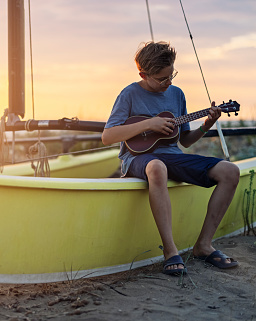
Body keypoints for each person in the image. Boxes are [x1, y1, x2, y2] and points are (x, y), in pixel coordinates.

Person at [102, 41, 240, 275]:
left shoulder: (176, 94)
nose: (169, 83)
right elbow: (108, 136)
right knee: (156, 166)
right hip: (137, 159)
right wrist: (149, 123)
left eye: (171, 75)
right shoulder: (129, 94)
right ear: (143, 74)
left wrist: (207, 125)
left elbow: (185, 140)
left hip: (172, 156)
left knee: (230, 171)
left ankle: (204, 245)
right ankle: (170, 250)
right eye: (162, 78)